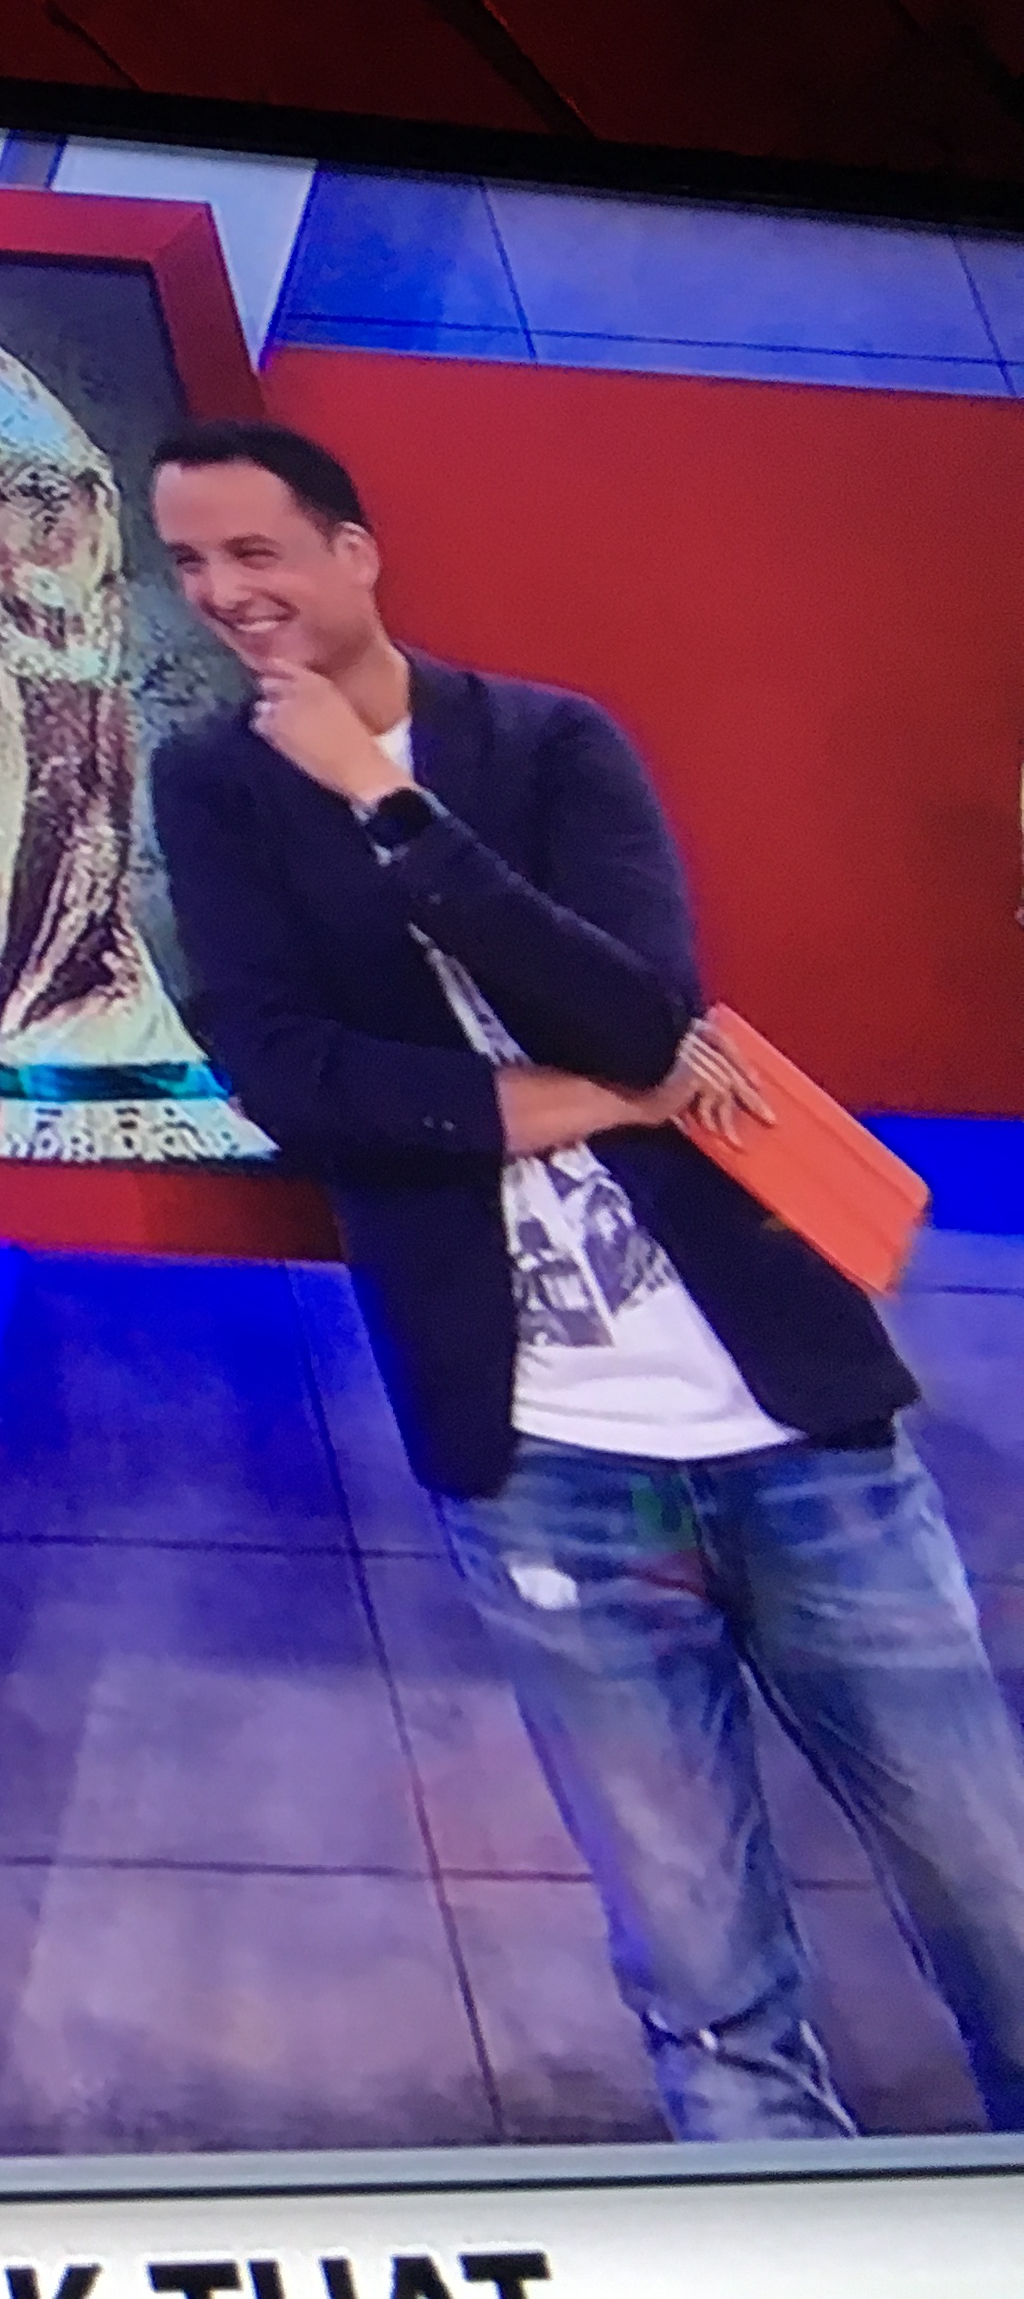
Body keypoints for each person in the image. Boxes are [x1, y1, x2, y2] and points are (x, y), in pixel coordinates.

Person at [144, 416, 1024, 2142]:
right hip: (545, 1463)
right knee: (701, 1974)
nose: (225, 591)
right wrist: (604, 1099)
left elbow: (636, 1003)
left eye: (255, 551)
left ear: (352, 551)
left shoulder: (546, 744)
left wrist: (388, 802)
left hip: (798, 1435)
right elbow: (291, 1079)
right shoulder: (212, 789)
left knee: (996, 1894)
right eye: (189, 563)